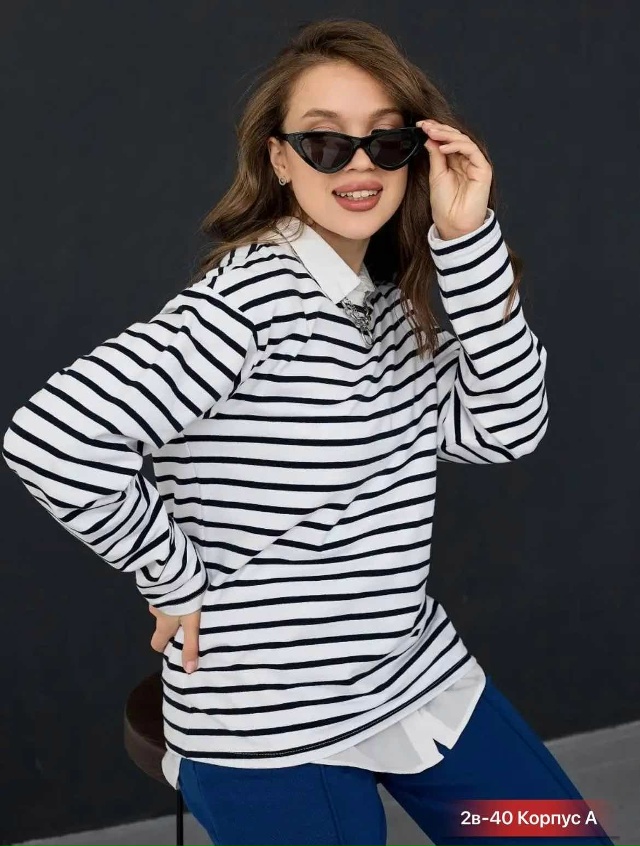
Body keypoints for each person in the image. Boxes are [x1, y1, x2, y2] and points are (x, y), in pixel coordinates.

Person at [2, 16, 614, 846]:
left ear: (416, 155)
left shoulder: (389, 302)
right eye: (324, 143)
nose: (359, 165)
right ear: (279, 160)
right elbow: (50, 439)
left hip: (414, 681)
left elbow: (508, 428)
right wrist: (172, 574)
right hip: (271, 723)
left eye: (386, 142)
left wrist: (467, 241)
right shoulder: (249, 304)